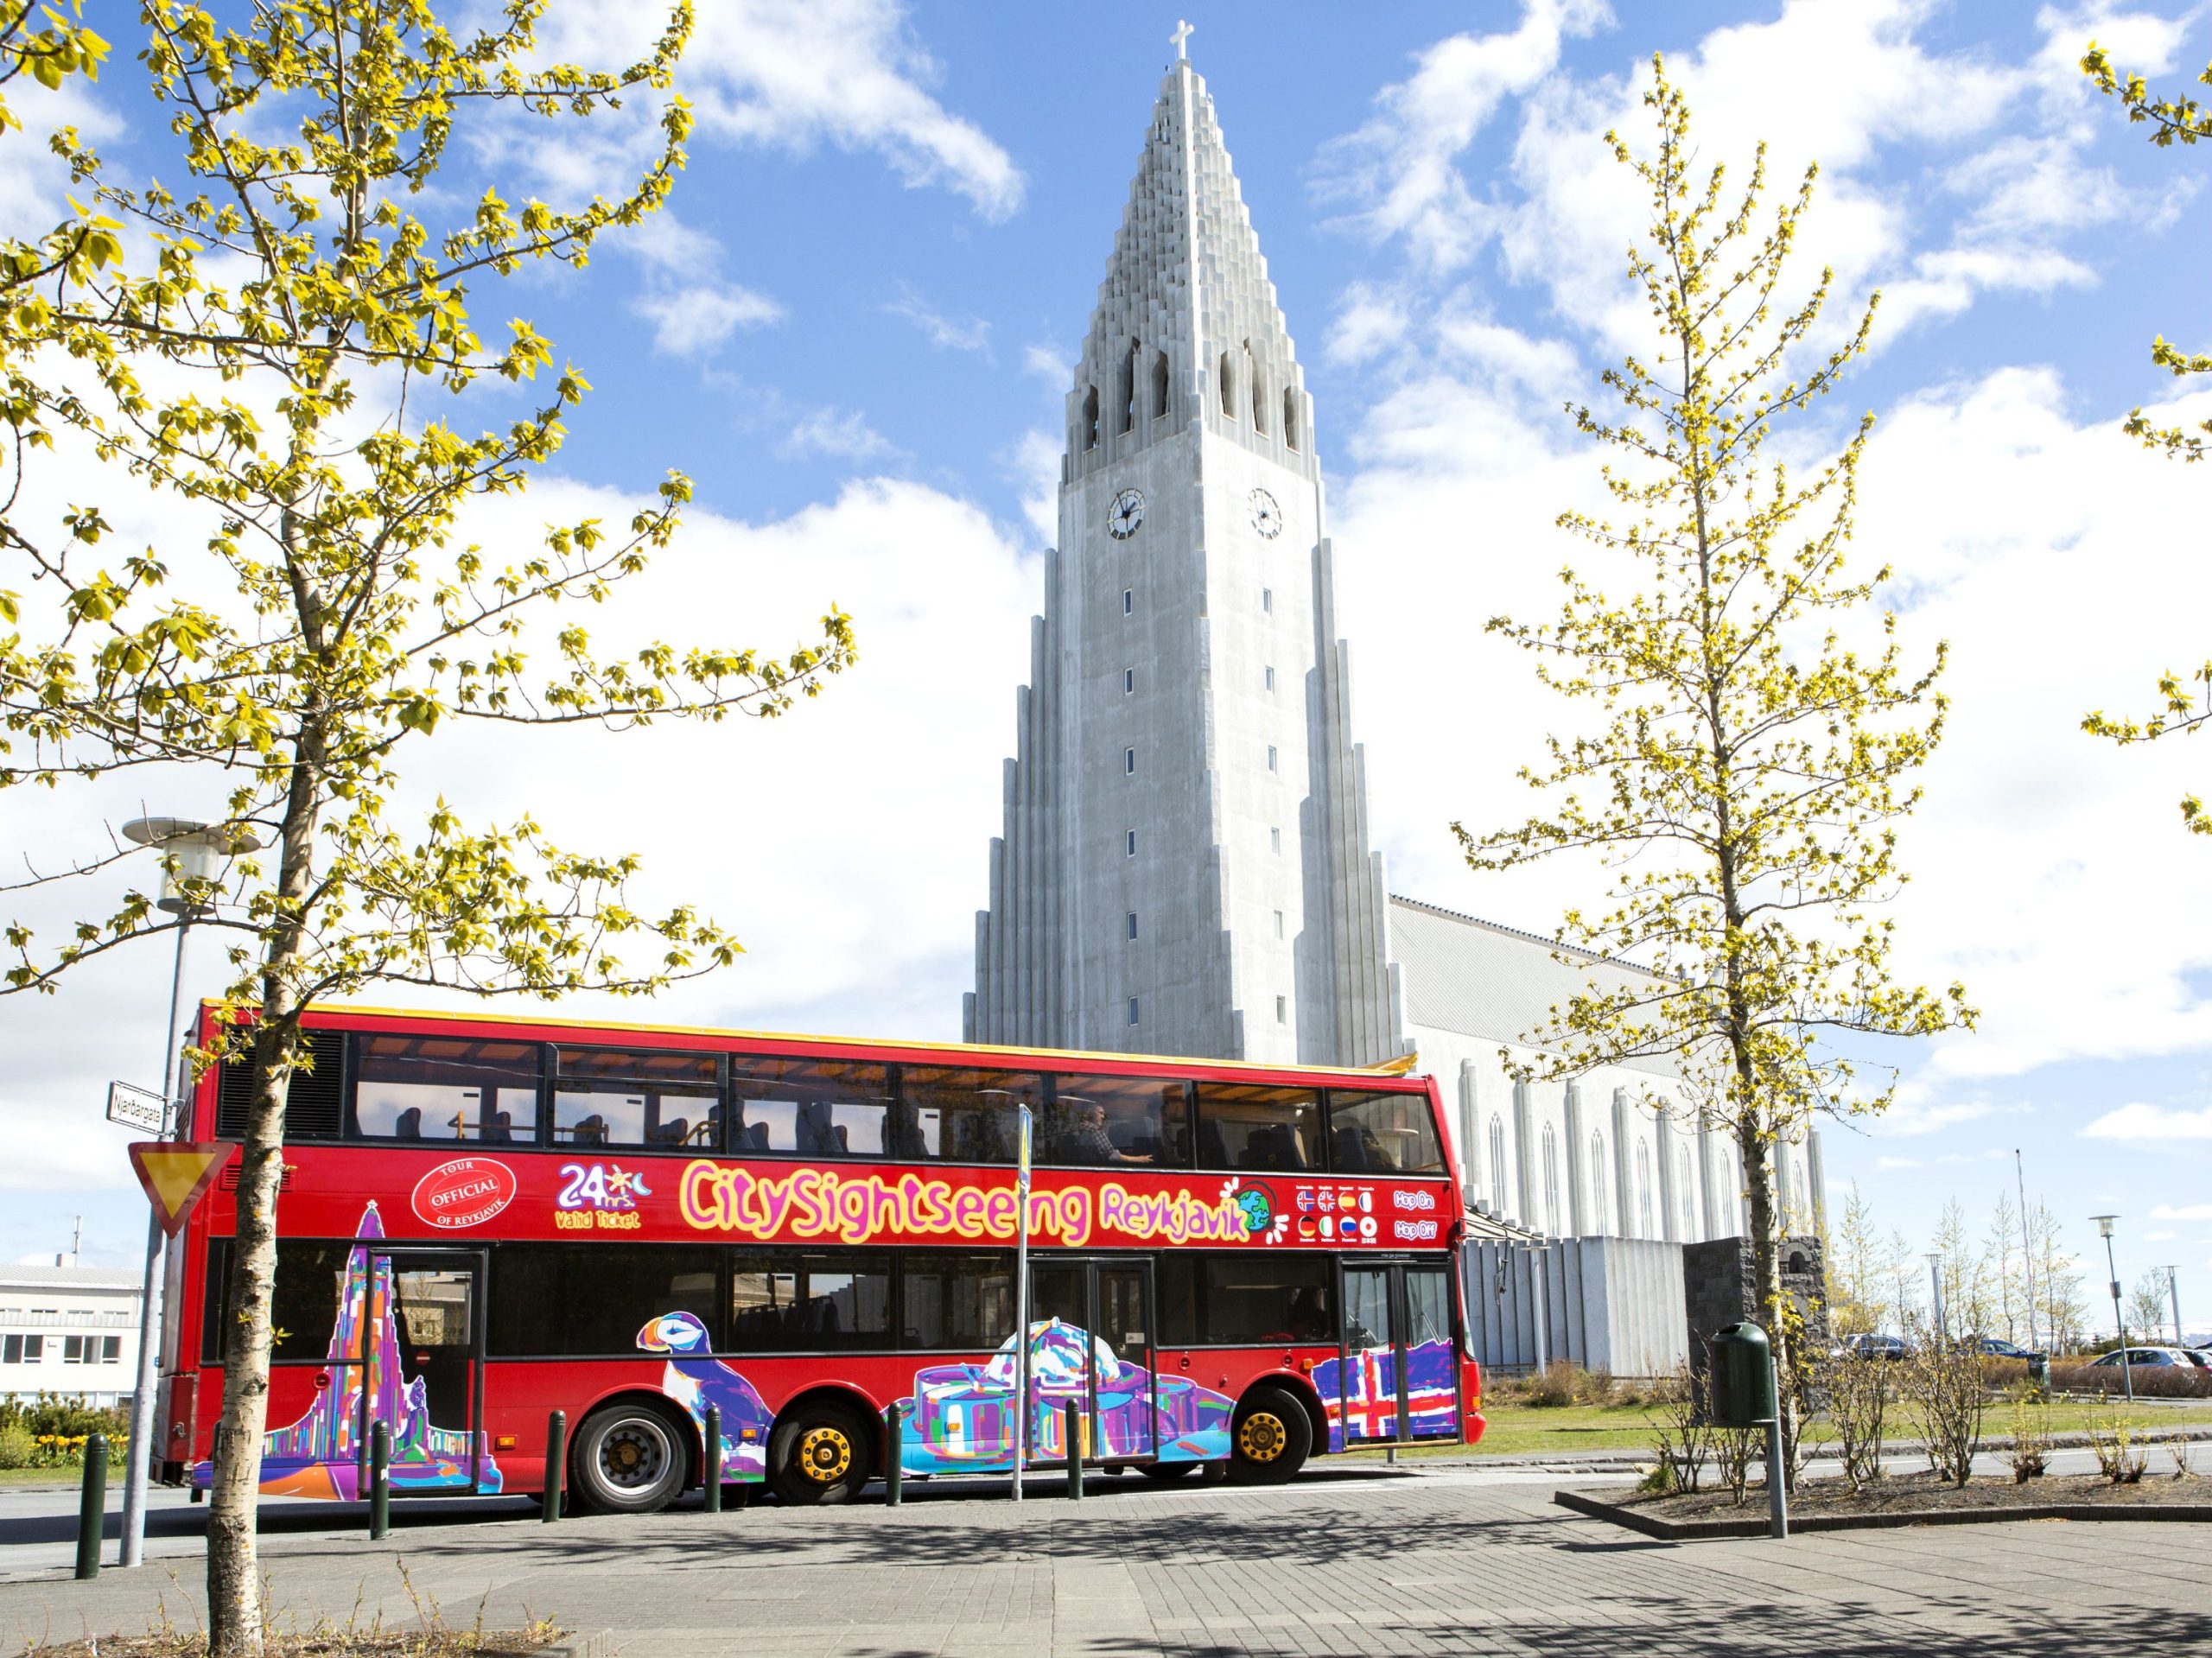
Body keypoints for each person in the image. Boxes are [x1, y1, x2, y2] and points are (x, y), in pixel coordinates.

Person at [1059, 1098, 1152, 1166]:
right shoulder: (1094, 1130)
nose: (1103, 1117)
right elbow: (1111, 1155)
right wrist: (1138, 1159)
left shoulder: (1076, 1127)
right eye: (1100, 1113)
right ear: (1089, 1113)